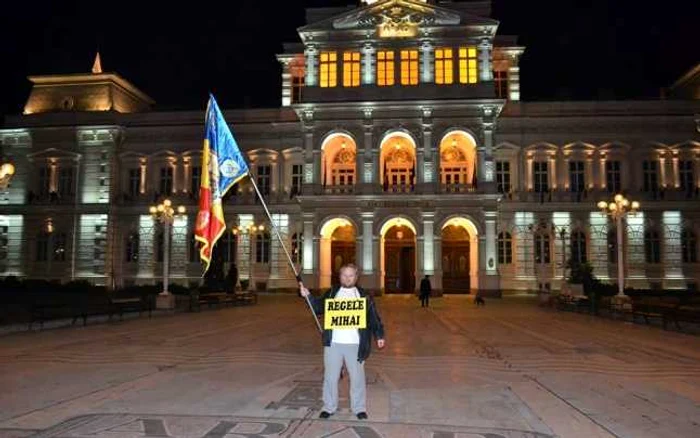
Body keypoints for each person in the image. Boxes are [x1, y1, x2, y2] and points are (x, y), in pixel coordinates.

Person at [299, 263, 385, 420]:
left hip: (355, 343)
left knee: (357, 377)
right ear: (340, 276)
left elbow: (373, 318)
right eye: (344, 275)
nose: (347, 278)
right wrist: (308, 296)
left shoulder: (364, 295)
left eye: (351, 275)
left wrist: (379, 335)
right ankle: (329, 406)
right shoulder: (332, 293)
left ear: (356, 277)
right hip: (334, 343)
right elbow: (318, 308)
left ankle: (359, 408)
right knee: (330, 377)